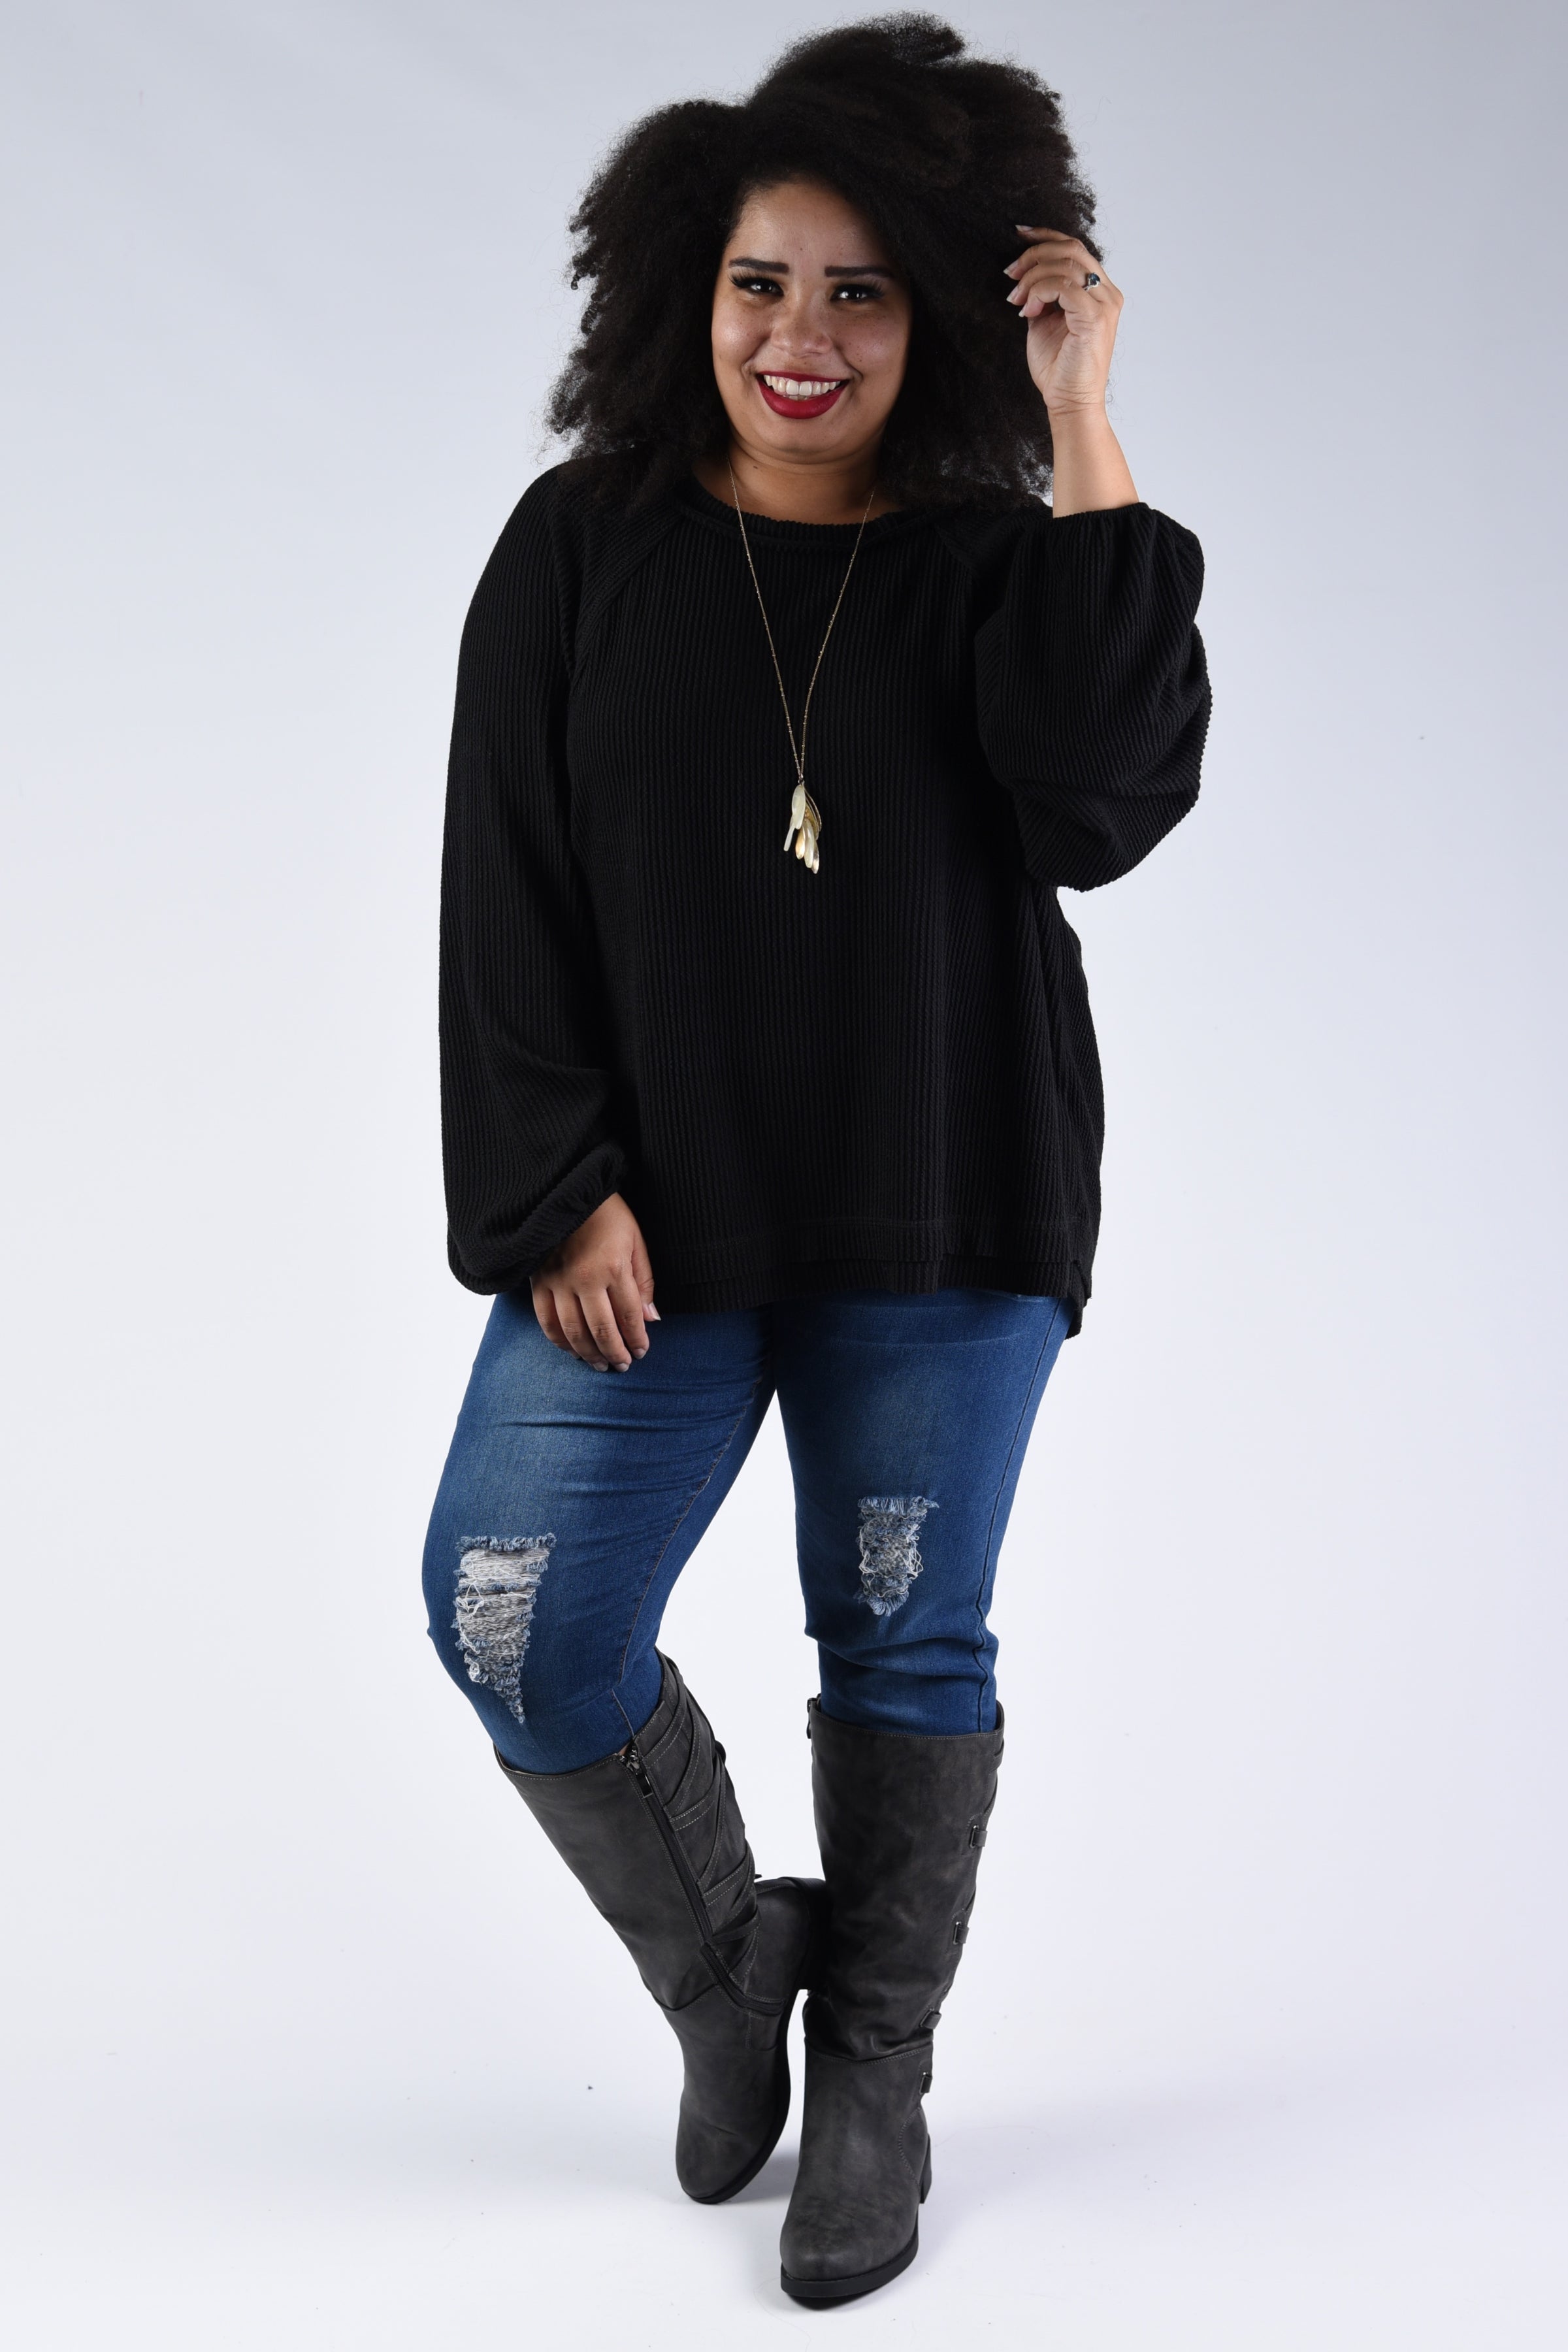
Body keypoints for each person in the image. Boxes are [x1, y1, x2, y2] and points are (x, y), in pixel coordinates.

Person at [423, 14, 1209, 2307]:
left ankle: (875, 2064)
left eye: (864, 291)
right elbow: (501, 881)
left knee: (902, 1632)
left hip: (940, 1196)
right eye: (762, 281)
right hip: (647, 1223)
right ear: (688, 285)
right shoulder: (580, 547)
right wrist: (553, 1182)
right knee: (513, 1613)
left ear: (938, 312)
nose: (803, 335)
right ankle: (724, 1969)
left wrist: (1079, 422)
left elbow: (1105, 806)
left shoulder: (997, 559)